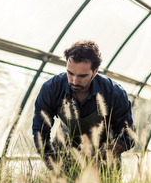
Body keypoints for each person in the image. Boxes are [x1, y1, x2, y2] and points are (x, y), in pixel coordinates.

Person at [32, 40, 135, 170]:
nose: (74, 81)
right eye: (70, 73)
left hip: (103, 161)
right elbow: (40, 130)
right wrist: (52, 163)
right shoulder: (51, 88)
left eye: (82, 76)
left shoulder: (114, 93)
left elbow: (128, 136)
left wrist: (96, 157)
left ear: (95, 71)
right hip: (63, 155)